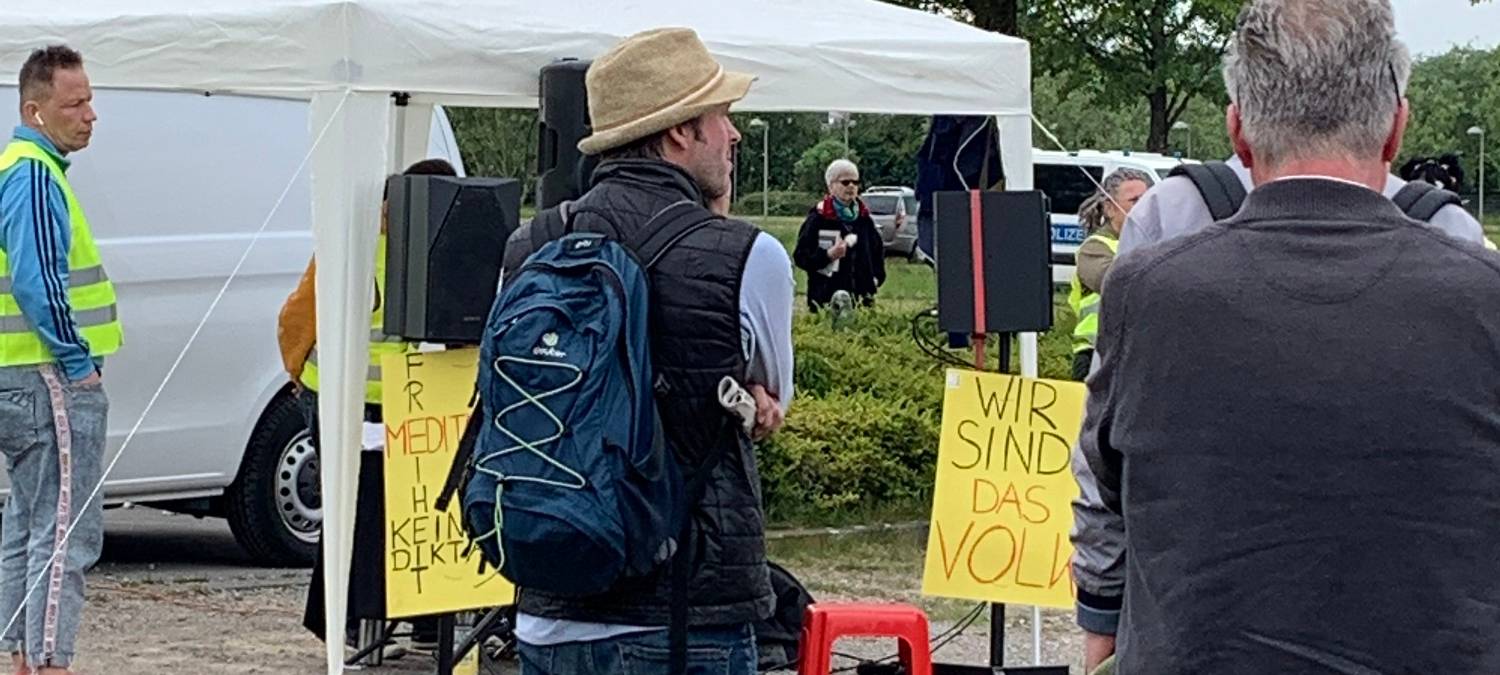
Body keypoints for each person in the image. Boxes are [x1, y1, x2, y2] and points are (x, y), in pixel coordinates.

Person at [1079, 1, 1500, 672]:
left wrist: (1101, 611)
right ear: (1396, 129)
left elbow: (1105, 482)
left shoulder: (1145, 291)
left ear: (1238, 130)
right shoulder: (1486, 294)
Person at [496, 27, 794, 675]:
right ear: (679, 132)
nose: (734, 135)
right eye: (722, 115)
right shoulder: (748, 255)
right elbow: (769, 408)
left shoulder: (531, 243)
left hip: (547, 605)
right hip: (683, 615)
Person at [277, 158, 457, 654]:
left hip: (364, 401)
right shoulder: (430, 250)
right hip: (385, 404)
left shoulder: (356, 247)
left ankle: (362, 628)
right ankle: (379, 627)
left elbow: (295, 319)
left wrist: (300, 372)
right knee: (391, 518)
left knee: (360, 519)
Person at [0, 45, 123, 675]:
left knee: (27, 523)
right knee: (64, 533)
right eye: (74, 103)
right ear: (35, 110)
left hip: (21, 377)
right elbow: (37, 280)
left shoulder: (23, 167)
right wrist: (78, 363)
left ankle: (23, 656)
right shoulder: (33, 174)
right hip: (46, 378)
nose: (90, 114)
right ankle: (48, 662)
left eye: (90, 99)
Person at [1067, 169, 1149, 381]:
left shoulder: (1154, 244)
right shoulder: (1095, 248)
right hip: (1096, 354)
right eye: (1135, 201)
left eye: (1148, 199)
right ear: (1111, 208)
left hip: (1137, 353)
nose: (1144, 207)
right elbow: (1115, 282)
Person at [793, 159, 885, 313]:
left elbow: (877, 251)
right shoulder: (819, 217)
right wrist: (828, 255)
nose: (851, 186)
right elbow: (801, 257)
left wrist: (876, 278)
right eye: (845, 182)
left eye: (855, 182)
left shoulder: (864, 218)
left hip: (862, 301)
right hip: (826, 301)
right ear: (831, 186)